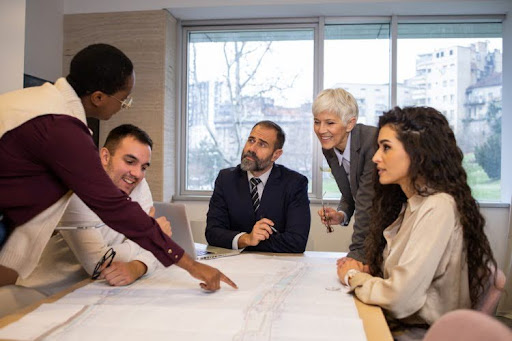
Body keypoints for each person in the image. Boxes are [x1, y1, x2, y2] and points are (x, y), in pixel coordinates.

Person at [0, 43, 236, 291]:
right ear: (99, 97)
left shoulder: (39, 102)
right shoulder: (61, 128)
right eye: (123, 100)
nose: (124, 107)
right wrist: (193, 266)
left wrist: (141, 258)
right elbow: (117, 211)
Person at [338, 106, 497, 339]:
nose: (375, 157)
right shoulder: (410, 205)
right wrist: (371, 273)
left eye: (386, 147)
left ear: (419, 152)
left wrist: (353, 276)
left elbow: (399, 300)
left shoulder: (438, 206)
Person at [17, 124, 166, 294]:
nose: (137, 173)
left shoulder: (137, 183)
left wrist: (138, 267)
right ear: (105, 156)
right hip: (45, 295)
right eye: (129, 161)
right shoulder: (75, 191)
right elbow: (98, 265)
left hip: (98, 290)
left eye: (144, 167)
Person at [205, 120, 311, 253]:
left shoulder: (295, 183)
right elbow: (212, 233)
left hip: (277, 266)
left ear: (276, 155)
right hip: (234, 265)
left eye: (262, 144)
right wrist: (246, 238)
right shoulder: (226, 179)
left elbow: (297, 241)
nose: (251, 149)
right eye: (251, 140)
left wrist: (249, 241)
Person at [312, 88, 377, 267]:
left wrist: (356, 256)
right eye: (317, 122)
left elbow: (367, 204)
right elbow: (351, 189)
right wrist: (341, 215)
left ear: (350, 124)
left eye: (330, 123)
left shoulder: (371, 142)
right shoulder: (329, 147)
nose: (321, 130)